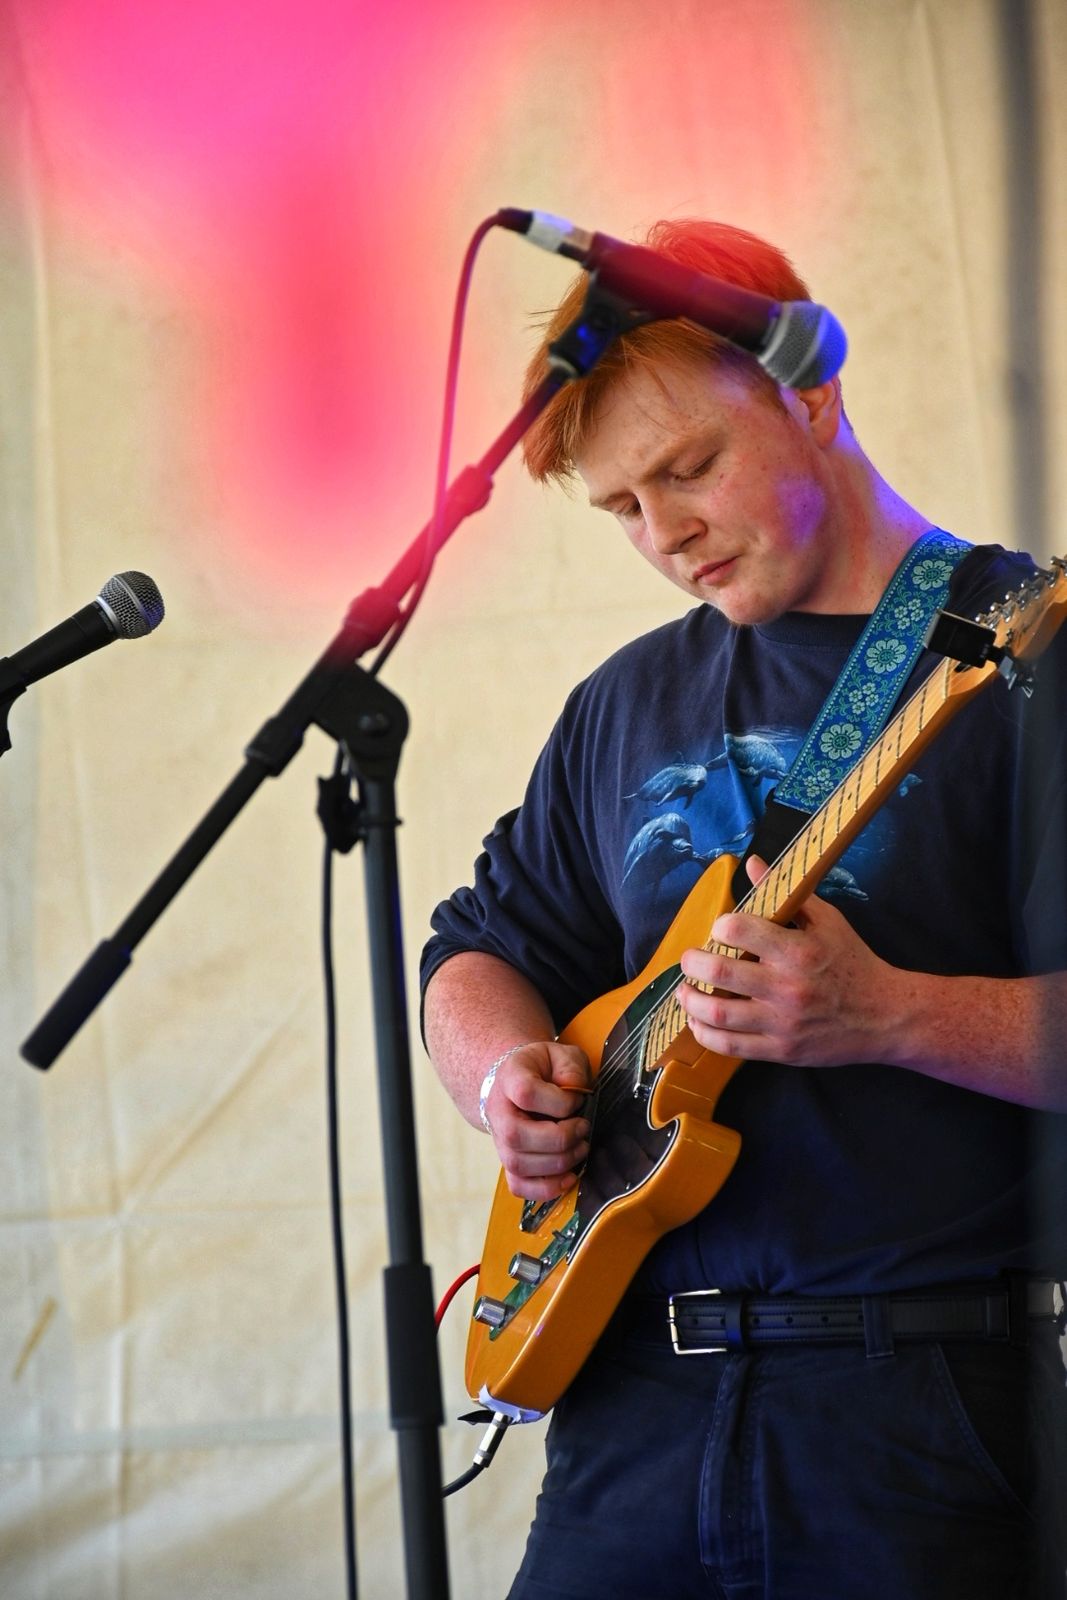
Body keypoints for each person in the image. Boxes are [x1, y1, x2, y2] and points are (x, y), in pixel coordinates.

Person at [419, 219, 1067, 1600]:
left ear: (811, 394)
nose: (666, 537)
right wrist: (501, 1083)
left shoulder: (1030, 654)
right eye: (622, 508)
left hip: (923, 1409)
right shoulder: (621, 702)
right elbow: (477, 949)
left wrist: (894, 1013)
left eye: (689, 468)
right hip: (626, 1411)